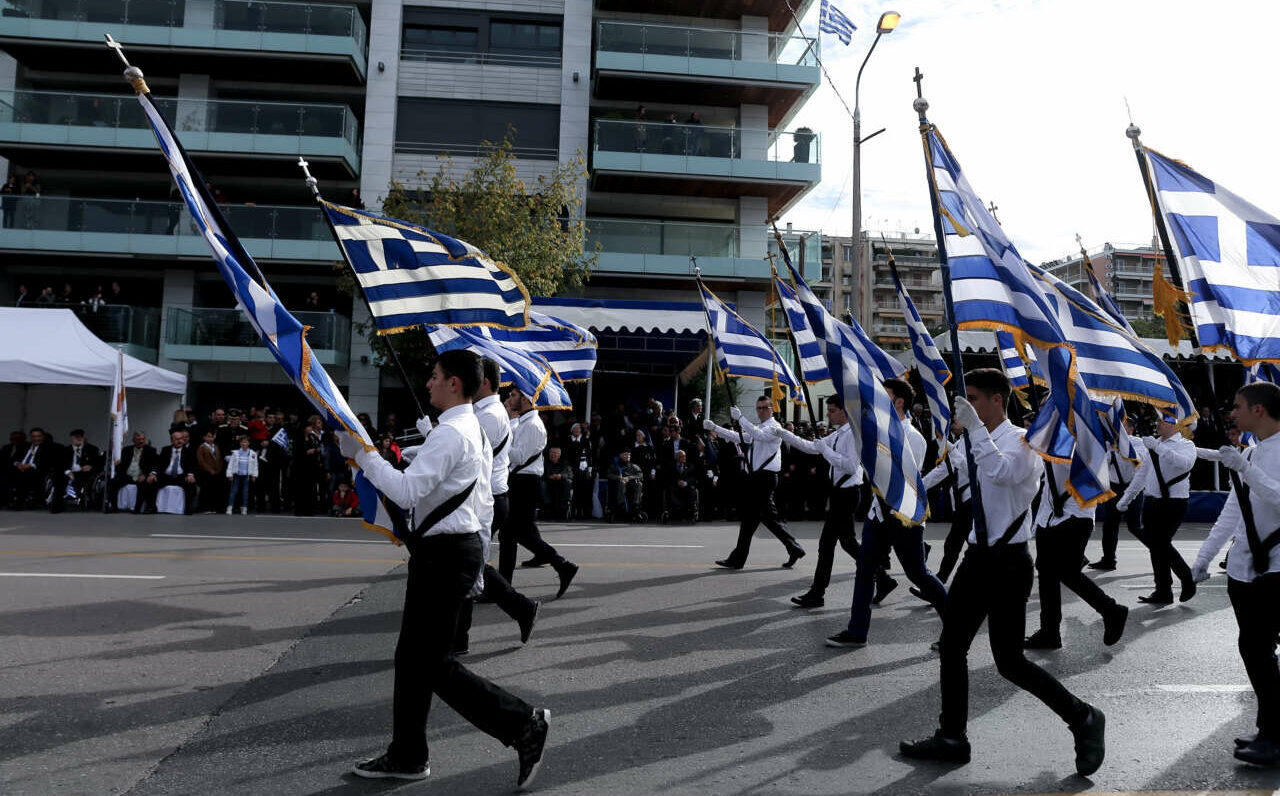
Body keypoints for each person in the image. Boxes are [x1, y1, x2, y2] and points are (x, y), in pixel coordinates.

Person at [338, 350, 550, 787]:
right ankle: (408, 754)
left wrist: (364, 458)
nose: (428, 382)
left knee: (432, 663)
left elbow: (407, 490)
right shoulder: (461, 426)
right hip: (450, 552)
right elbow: (459, 494)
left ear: (455, 383)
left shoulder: (454, 432)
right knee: (414, 660)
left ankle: (523, 724)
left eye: (434, 376)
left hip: (446, 555)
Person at [899, 369, 1105, 776]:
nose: (967, 406)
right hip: (977, 559)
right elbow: (952, 469)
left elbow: (1003, 473)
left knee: (1009, 662)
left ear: (997, 400)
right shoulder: (973, 438)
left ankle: (1082, 717)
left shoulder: (1025, 442)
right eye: (966, 399)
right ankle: (952, 736)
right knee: (953, 647)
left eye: (973, 398)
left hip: (1009, 564)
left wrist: (975, 431)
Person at [1191, 382, 1280, 767]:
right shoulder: (1254, 451)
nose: (1233, 412)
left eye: (1239, 405)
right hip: (1246, 570)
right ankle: (1271, 730)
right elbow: (1235, 509)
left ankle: (1274, 735)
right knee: (1256, 651)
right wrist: (1204, 556)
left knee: (1260, 651)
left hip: (1278, 568)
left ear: (1259, 410)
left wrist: (1245, 468)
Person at [826, 378, 946, 647]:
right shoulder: (878, 432)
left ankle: (956, 625)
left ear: (899, 402)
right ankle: (857, 631)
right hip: (876, 513)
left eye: (885, 396)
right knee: (865, 569)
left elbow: (904, 479)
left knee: (918, 574)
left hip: (902, 514)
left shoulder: (913, 437)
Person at [452, 357, 540, 655]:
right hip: (484, 496)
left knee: (465, 565)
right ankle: (519, 610)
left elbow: (467, 454)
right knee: (467, 564)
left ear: (484, 382)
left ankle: (460, 638)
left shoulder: (489, 415)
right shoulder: (485, 411)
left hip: (486, 498)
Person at [1023, 456, 1129, 650]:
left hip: (1075, 516)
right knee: (1047, 573)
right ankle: (1049, 632)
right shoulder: (1050, 441)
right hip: (1049, 516)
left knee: (1067, 571)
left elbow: (1091, 475)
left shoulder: (1079, 441)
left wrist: (1052, 449)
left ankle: (1111, 610)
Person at [778, 396, 863, 608]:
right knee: (848, 543)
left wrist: (825, 450)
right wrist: (783, 433)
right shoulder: (838, 434)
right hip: (839, 494)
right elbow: (810, 447)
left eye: (832, 410)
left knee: (828, 545)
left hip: (848, 493)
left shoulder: (852, 434)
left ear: (844, 412)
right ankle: (882, 577)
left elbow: (851, 466)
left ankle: (817, 594)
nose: (828, 414)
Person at [703, 395, 806, 569]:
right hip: (757, 478)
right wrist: (716, 428)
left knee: (759, 519)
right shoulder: (759, 427)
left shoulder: (774, 427)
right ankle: (791, 548)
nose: (761, 411)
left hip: (765, 478)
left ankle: (790, 548)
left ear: (772, 409)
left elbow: (759, 435)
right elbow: (740, 437)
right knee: (755, 520)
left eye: (765, 407)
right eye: (758, 408)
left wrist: (740, 418)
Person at [1115, 410, 1198, 604]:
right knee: (1156, 547)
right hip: (1152, 502)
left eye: (1161, 421)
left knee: (1160, 544)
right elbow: (1142, 475)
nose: (1157, 424)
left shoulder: (1185, 445)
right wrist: (1127, 498)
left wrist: (1158, 448)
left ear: (1173, 425)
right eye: (1158, 420)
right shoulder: (1154, 445)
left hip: (1174, 503)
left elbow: (1184, 464)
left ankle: (1187, 578)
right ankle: (1163, 591)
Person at [503, 388, 579, 597]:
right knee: (510, 534)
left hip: (526, 482)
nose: (509, 399)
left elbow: (517, 456)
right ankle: (503, 587)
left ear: (526, 399)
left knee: (520, 533)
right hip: (518, 480)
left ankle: (562, 564)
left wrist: (498, 445)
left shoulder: (533, 425)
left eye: (513, 395)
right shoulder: (523, 422)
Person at [1090, 416, 1143, 571]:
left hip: (1132, 488)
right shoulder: (1108, 444)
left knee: (1135, 526)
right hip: (1114, 488)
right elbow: (1101, 463)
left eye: (1121, 427)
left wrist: (1123, 448)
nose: (1116, 430)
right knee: (1109, 525)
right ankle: (1108, 560)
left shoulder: (1137, 443)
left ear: (1130, 430)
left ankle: (1159, 551)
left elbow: (1139, 462)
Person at [922, 423, 972, 584]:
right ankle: (939, 583)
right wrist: (919, 486)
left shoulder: (976, 442)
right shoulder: (959, 443)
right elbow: (943, 470)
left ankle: (939, 584)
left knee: (955, 545)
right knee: (954, 545)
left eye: (957, 417)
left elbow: (970, 468)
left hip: (973, 502)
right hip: (960, 503)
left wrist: (950, 449)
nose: (953, 421)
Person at [111, 431, 159, 512]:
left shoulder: (151, 450)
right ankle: (113, 507)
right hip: (127, 476)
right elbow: (121, 465)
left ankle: (138, 509)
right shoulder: (126, 450)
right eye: (138, 439)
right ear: (133, 440)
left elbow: (154, 465)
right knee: (112, 483)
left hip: (141, 476)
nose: (141, 441)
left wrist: (146, 475)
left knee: (146, 484)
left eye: (143, 439)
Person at [12, 427, 57, 511]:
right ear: (30, 437)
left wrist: (30, 465)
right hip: (19, 468)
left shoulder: (48, 448)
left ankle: (20, 502)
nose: (36, 439)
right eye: (34, 436)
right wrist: (18, 464)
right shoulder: (23, 446)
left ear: (43, 437)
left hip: (37, 470)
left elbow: (47, 462)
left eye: (38, 436)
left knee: (25, 475)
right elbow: (14, 458)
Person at [156, 430, 198, 515]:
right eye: (177, 439)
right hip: (166, 476)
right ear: (172, 441)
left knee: (192, 486)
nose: (180, 441)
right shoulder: (165, 450)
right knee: (150, 482)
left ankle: (188, 509)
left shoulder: (189, 452)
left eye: (181, 439)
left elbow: (193, 465)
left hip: (181, 477)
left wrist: (190, 474)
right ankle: (152, 507)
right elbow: (158, 464)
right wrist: (153, 474)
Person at [61, 429, 101, 504]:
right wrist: (68, 471)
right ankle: (61, 497)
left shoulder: (92, 449)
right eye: (76, 437)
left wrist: (91, 466)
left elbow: (98, 463)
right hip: (68, 472)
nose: (79, 439)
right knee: (59, 477)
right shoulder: (65, 450)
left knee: (84, 476)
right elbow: (61, 463)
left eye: (81, 437)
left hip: (83, 472)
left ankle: (76, 495)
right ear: (72, 438)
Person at [604, 449, 645, 522]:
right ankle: (621, 505)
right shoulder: (615, 465)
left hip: (630, 484)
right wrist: (618, 477)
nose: (628, 456)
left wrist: (629, 478)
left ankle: (636, 505)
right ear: (620, 455)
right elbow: (608, 474)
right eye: (626, 454)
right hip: (618, 485)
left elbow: (640, 475)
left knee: (639, 484)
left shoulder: (633, 466)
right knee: (622, 483)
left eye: (629, 454)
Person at [662, 449, 699, 522]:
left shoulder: (690, 466)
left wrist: (686, 482)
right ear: (677, 458)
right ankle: (676, 508)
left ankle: (693, 511)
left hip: (686, 487)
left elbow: (694, 478)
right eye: (682, 456)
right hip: (675, 487)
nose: (684, 458)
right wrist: (677, 482)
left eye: (685, 456)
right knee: (669, 490)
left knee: (692, 490)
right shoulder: (670, 465)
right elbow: (667, 477)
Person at [225, 435, 258, 514]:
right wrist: (229, 474)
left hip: (246, 475)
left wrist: (254, 475)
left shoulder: (253, 453)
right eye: (242, 442)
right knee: (234, 491)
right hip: (237, 475)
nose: (244, 444)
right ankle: (229, 507)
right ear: (240, 443)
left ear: (248, 443)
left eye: (246, 442)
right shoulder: (235, 453)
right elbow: (231, 464)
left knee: (245, 492)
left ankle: (244, 507)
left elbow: (255, 465)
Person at [195, 429, 224, 513]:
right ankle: (204, 507)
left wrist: (219, 469)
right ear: (204, 438)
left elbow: (219, 459)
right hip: (206, 473)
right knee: (206, 490)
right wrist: (209, 469)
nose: (210, 439)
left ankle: (213, 507)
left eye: (212, 437)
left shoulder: (216, 447)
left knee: (214, 491)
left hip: (216, 472)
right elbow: (201, 461)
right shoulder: (202, 447)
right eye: (208, 437)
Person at [541, 446, 571, 520]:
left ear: (559, 455)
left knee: (568, 482)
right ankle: (547, 506)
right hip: (548, 482)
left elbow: (568, 473)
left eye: (555, 453)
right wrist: (549, 476)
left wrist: (560, 475)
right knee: (542, 484)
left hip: (561, 483)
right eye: (551, 453)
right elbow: (541, 473)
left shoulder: (564, 463)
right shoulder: (545, 463)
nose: (552, 454)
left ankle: (563, 506)